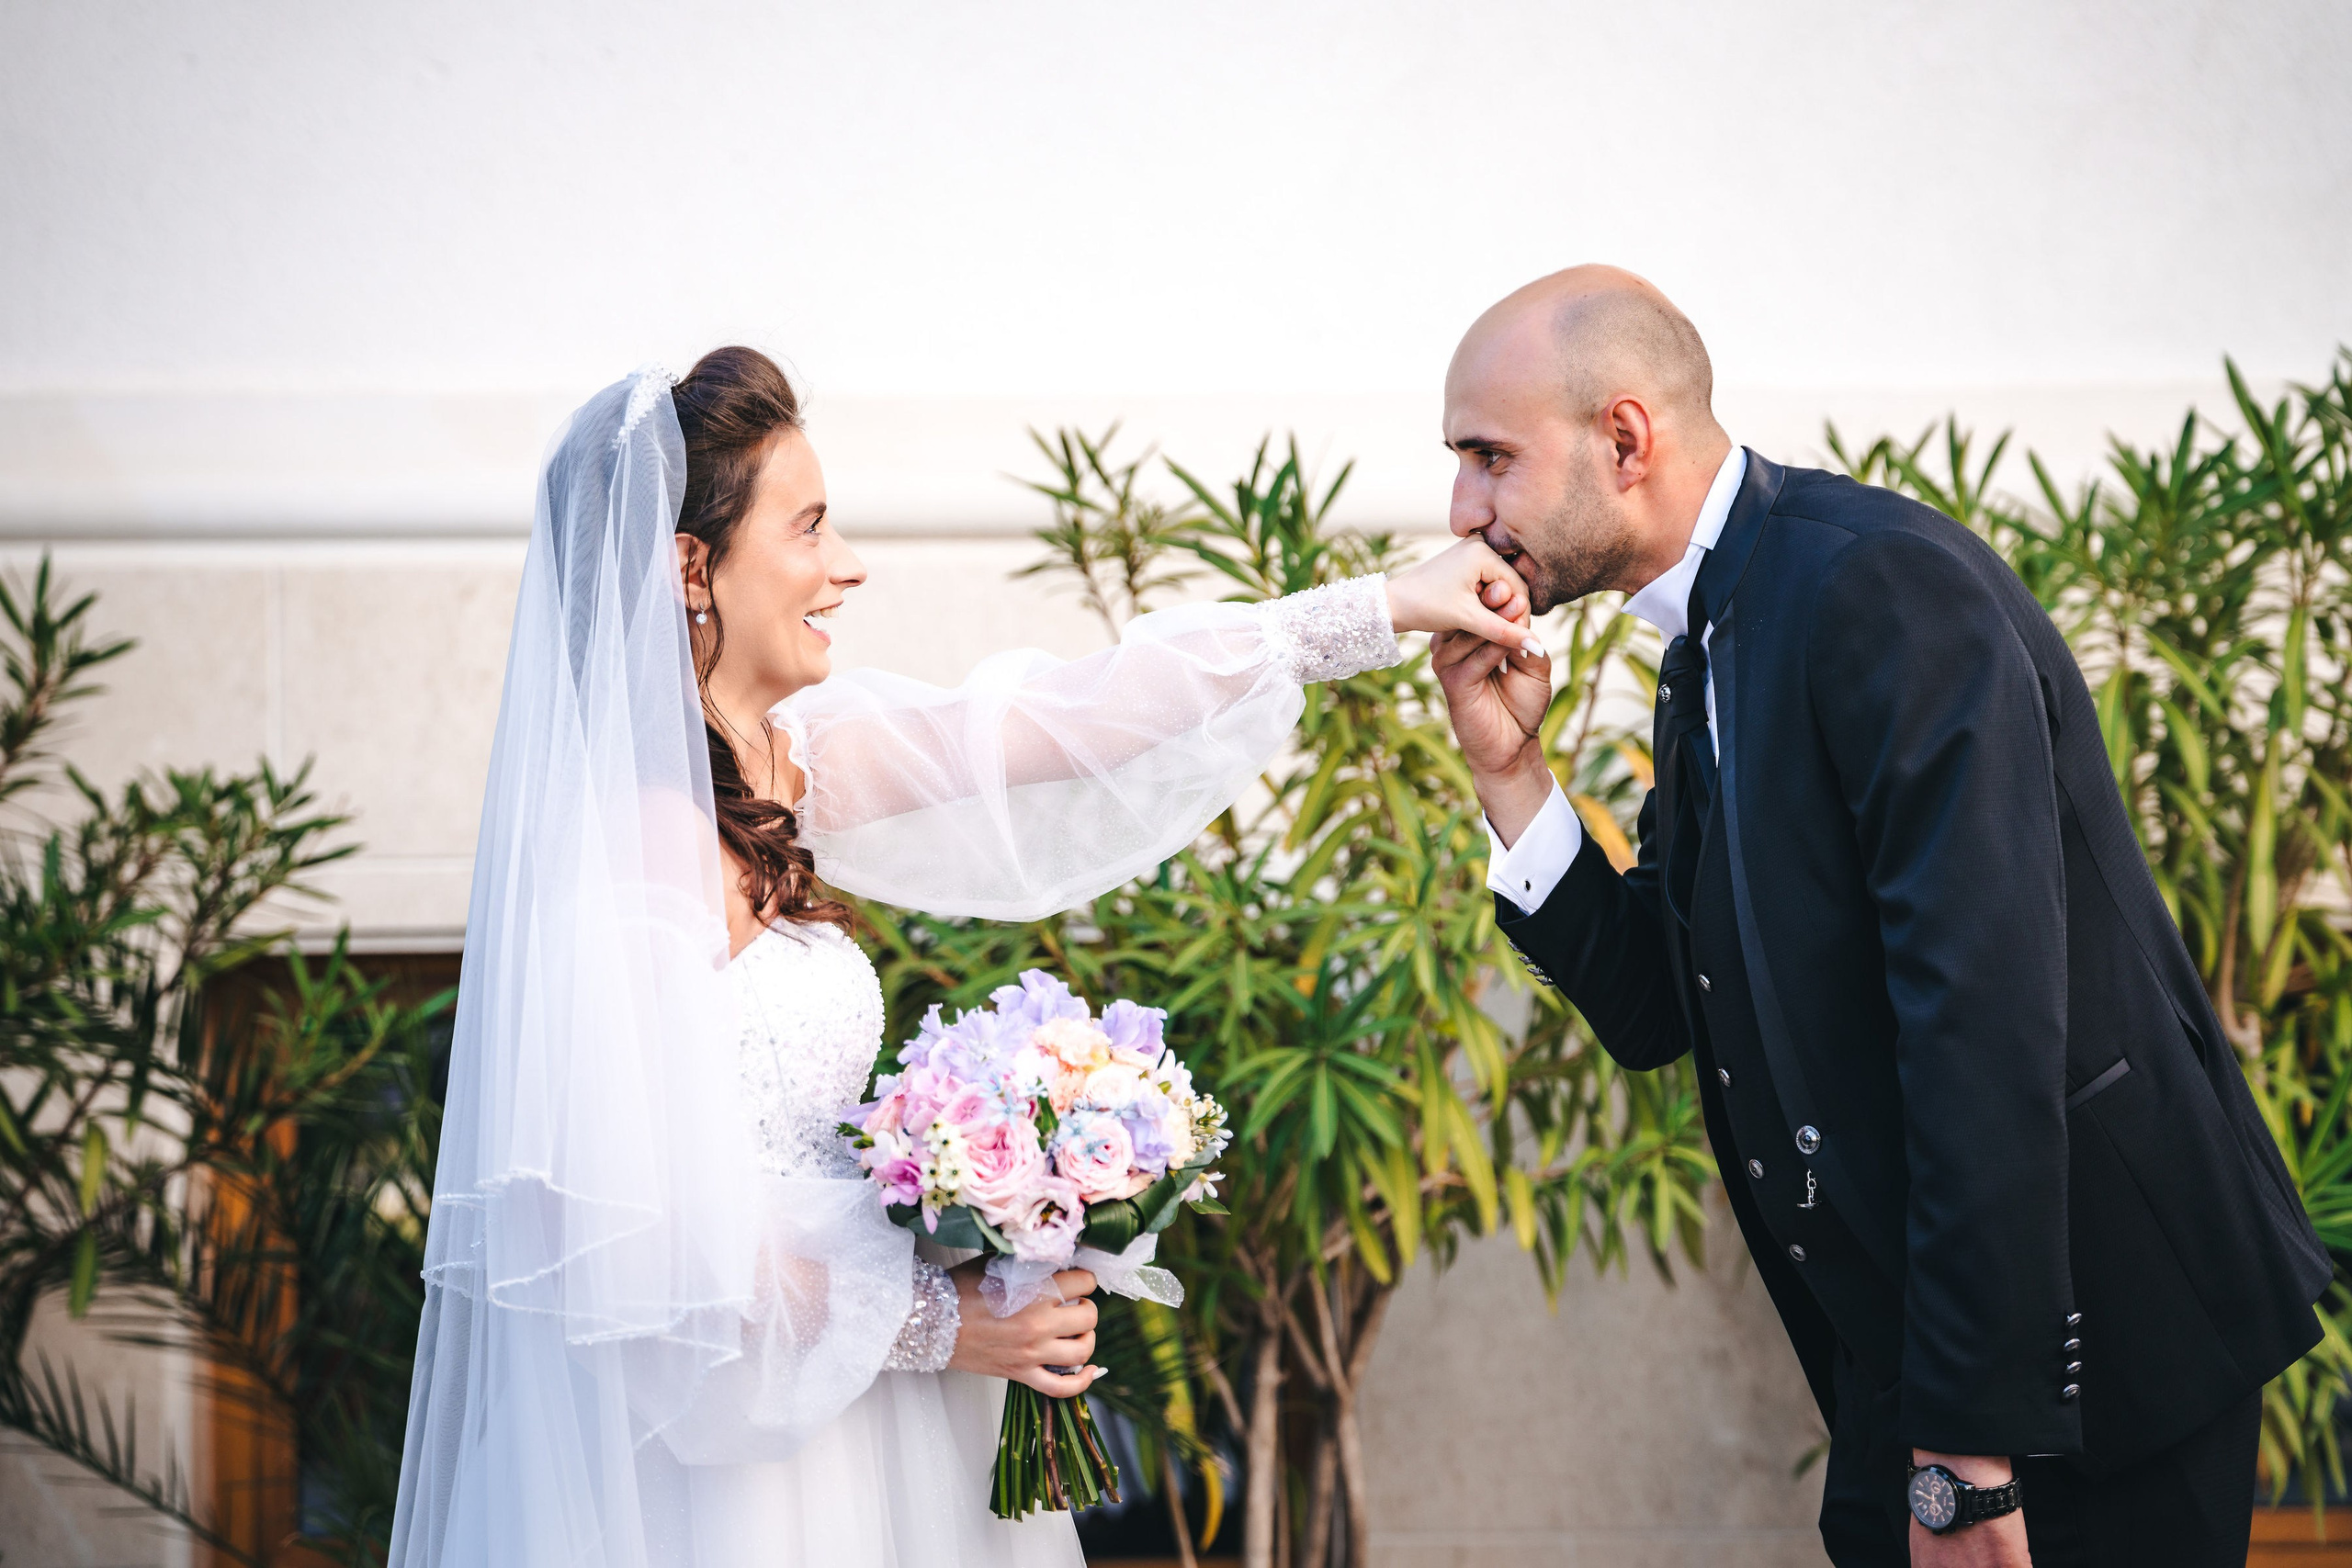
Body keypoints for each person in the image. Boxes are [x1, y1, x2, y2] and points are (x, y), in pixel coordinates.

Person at [385, 346, 1534, 1568]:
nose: (848, 565)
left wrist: (1378, 610)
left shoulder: (788, 767)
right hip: (732, 1472)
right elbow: (629, 1230)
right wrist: (941, 1319)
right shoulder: (647, 847)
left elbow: (1070, 719)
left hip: (853, 1411)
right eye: (808, 528)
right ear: (688, 568)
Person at [1431, 267, 2330, 1568]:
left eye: (1490, 458)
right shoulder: (1712, 642)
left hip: (2087, 1366)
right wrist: (1510, 773)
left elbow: (1984, 1028)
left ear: (1624, 439)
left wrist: (1967, 1456)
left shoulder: (1880, 590)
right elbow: (1655, 1009)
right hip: (1914, 1367)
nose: (1464, 510)